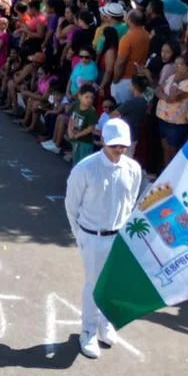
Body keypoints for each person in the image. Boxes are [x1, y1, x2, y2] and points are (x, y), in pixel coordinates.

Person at [63, 118, 144, 359]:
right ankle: (87, 331)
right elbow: (71, 205)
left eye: (123, 146)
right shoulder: (85, 169)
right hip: (92, 237)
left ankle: (105, 325)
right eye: (114, 145)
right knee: (94, 285)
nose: (119, 150)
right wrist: (80, 235)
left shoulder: (133, 168)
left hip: (118, 237)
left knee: (112, 284)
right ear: (104, 142)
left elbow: (131, 201)